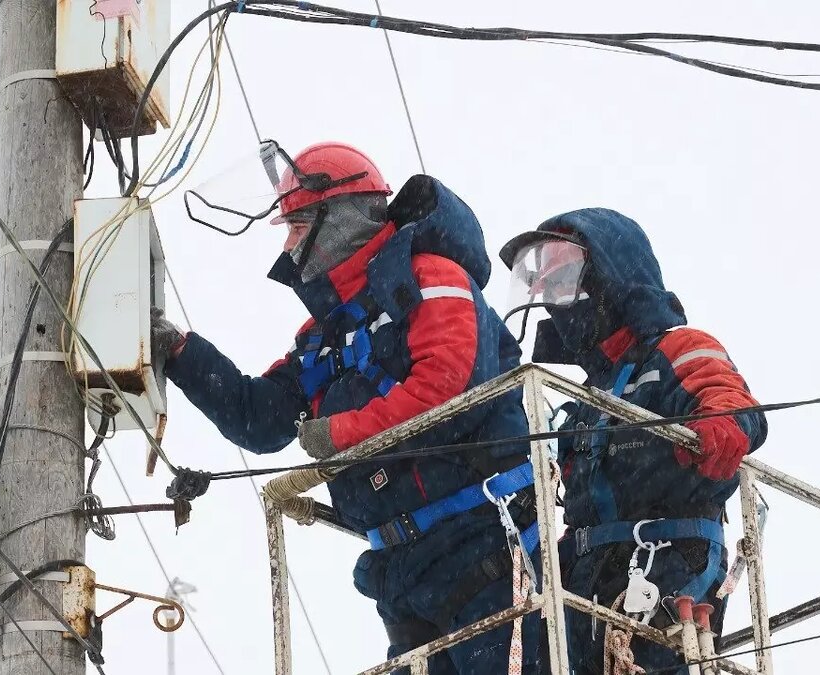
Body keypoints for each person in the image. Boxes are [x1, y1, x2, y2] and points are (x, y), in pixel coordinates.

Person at [153, 142, 541, 673]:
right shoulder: (324, 337)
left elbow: (449, 392)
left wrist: (341, 434)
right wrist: (179, 352)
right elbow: (260, 419)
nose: (288, 248)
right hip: (401, 573)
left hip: (485, 546)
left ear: (338, 220)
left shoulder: (434, 279)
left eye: (295, 226)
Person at [498, 208, 768, 673]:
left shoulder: (677, 348)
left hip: (666, 556)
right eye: (552, 292)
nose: (560, 305)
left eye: (567, 285)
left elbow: (730, 401)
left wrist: (719, 426)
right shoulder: (586, 397)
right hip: (587, 568)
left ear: (608, 281)